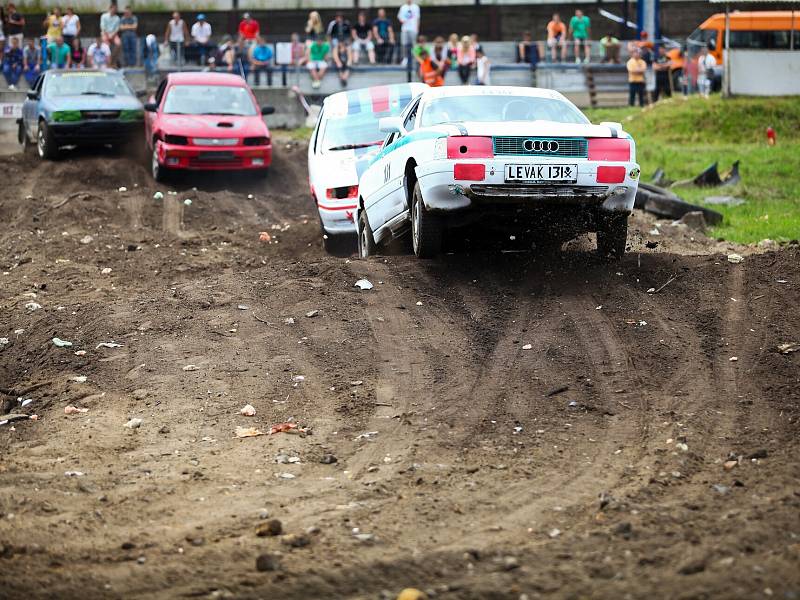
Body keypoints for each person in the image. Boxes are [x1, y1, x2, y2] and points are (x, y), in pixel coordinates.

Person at [397, 0, 420, 66]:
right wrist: (402, 21)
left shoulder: (416, 7)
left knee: (414, 44)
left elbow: (418, 18)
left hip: (413, 29)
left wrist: (417, 28)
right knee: (404, 44)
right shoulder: (403, 7)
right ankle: (405, 58)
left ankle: (415, 59)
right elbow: (399, 17)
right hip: (405, 29)